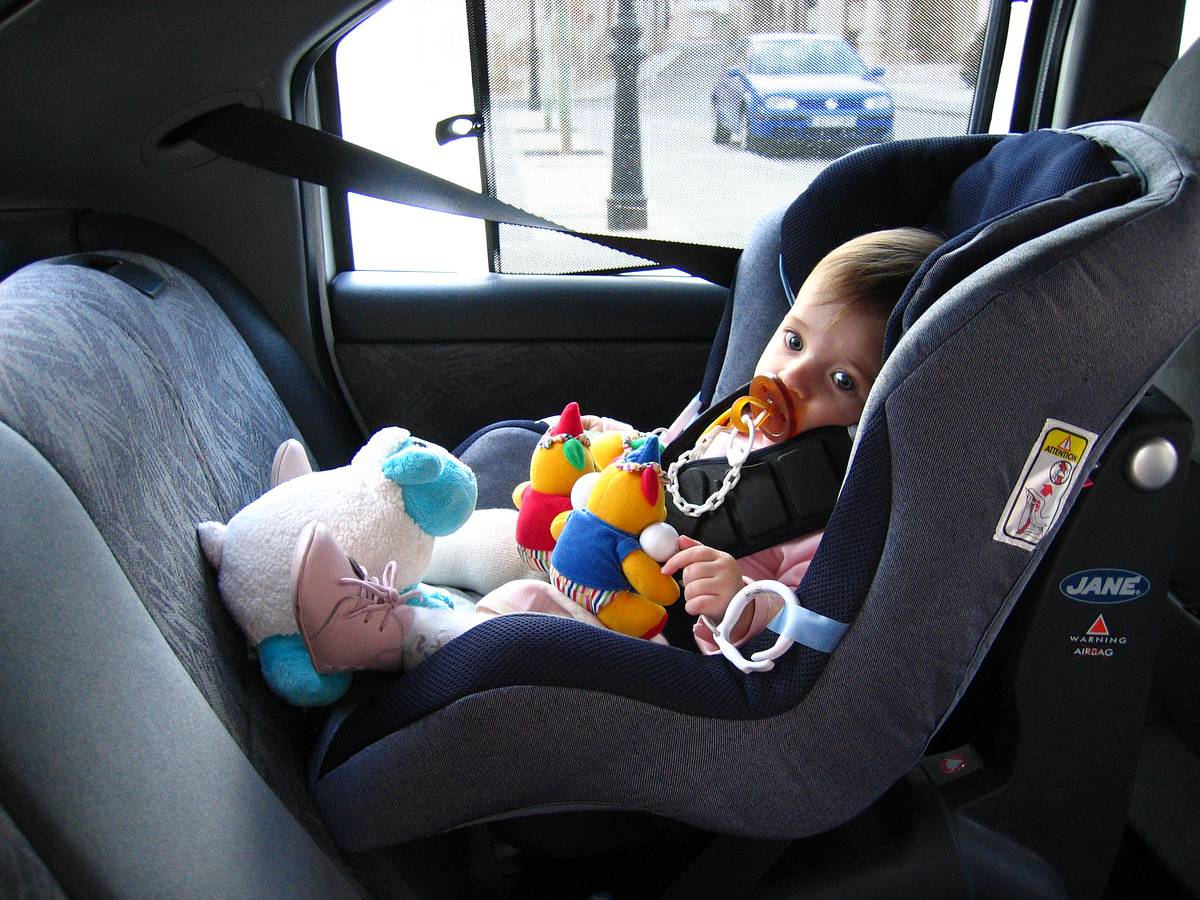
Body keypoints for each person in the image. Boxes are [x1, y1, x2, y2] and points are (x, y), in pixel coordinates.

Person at [292, 227, 944, 675]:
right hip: (603, 552)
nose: (793, 376)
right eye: (794, 341)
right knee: (496, 534)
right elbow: (666, 453)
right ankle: (360, 545)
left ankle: (380, 635)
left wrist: (743, 597)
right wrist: (611, 441)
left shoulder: (833, 505)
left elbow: (803, 615)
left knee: (522, 611)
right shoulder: (737, 415)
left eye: (842, 381)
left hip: (651, 633)